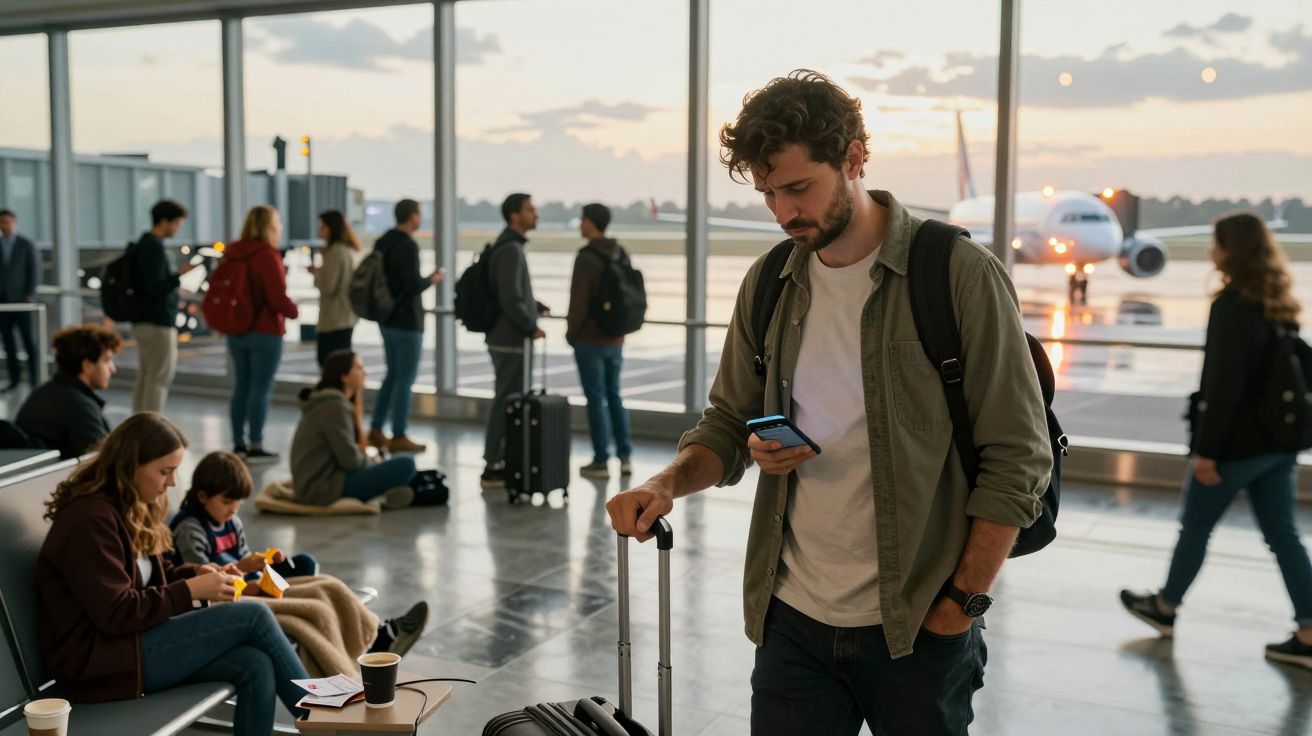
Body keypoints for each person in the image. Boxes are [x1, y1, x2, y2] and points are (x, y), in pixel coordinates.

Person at [605, 70, 1051, 736]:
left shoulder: (956, 274)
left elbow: (1018, 455)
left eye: (798, 187)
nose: (783, 213)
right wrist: (664, 484)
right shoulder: (771, 282)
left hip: (918, 623)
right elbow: (727, 421)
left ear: (854, 159)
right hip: (793, 621)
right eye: (768, 193)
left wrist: (961, 603)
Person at [35, 413, 310, 735]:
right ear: (130, 464)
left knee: (255, 664)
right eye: (165, 471)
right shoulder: (90, 521)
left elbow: (151, 574)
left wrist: (200, 573)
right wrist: (192, 590)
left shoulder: (126, 506)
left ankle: (325, 716)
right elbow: (117, 612)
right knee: (253, 616)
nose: (173, 483)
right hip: (98, 665)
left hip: (128, 648)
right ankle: (326, 717)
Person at [1121, 212, 1312, 670]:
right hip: (1278, 444)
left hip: (1237, 448)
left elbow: (1223, 388)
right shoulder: (1277, 302)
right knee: (1284, 537)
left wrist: (1206, 451)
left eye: (1217, 243)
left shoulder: (1231, 305)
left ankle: (1165, 607)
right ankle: (1309, 632)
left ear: (1231, 250)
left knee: (1196, 528)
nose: (1211, 251)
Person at [171, 451, 430, 658]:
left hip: (242, 583)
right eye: (227, 502)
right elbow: (206, 581)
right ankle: (380, 638)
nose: (233, 510)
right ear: (202, 497)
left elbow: (243, 560)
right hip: (223, 596)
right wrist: (250, 575)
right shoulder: (191, 528)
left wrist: (262, 564)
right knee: (318, 597)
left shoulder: (230, 520)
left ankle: (376, 634)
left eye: (237, 503)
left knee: (306, 566)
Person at [292, 349, 418, 508]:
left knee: (395, 464)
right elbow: (350, 461)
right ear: (344, 376)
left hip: (316, 483)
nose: (365, 372)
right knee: (406, 464)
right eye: (359, 368)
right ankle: (383, 495)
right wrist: (372, 462)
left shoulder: (328, 402)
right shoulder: (334, 406)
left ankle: (385, 494)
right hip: (323, 489)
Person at [481, 193, 547, 489]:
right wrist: (530, 325)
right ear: (514, 215)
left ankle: (500, 459)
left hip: (506, 336)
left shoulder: (509, 246)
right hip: (509, 339)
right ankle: (493, 463)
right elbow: (510, 297)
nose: (536, 214)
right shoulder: (510, 249)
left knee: (507, 399)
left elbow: (514, 293)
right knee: (507, 402)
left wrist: (535, 306)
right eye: (530, 210)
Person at [367, 199, 442, 454]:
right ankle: (398, 433)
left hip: (386, 318)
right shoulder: (407, 245)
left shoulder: (383, 242)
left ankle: (376, 428)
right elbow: (412, 286)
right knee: (404, 379)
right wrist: (432, 279)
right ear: (412, 217)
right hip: (407, 321)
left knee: (391, 375)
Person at [225, 205, 299, 464]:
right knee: (260, 389)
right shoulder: (267, 255)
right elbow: (277, 298)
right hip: (265, 331)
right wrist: (294, 311)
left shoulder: (234, 252)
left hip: (237, 329)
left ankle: (238, 443)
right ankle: (256, 444)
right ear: (271, 226)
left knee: (241, 387)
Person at [566, 202, 633, 480]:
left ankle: (600, 460)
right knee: (614, 395)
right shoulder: (620, 252)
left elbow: (578, 301)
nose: (580, 224)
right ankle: (625, 457)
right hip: (615, 338)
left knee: (595, 399)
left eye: (582, 219)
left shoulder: (586, 257)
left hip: (590, 339)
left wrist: (572, 334)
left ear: (591, 222)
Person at [130, 199, 197, 414]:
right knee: (159, 378)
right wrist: (178, 275)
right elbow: (156, 287)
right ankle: (151, 424)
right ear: (164, 221)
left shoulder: (142, 244)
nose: (177, 228)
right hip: (157, 321)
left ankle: (139, 422)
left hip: (142, 319)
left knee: (146, 376)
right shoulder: (154, 247)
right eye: (176, 223)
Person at [16, 324, 120, 459]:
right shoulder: (81, 407)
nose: (113, 369)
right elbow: (104, 461)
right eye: (107, 361)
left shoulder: (41, 393)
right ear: (87, 365)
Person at [307, 210, 361, 366]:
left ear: (332, 228)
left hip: (335, 318)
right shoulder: (347, 250)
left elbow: (329, 287)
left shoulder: (335, 252)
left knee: (330, 363)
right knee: (340, 362)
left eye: (323, 226)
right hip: (345, 316)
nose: (319, 230)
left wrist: (316, 274)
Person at [0, 208, 40, 392]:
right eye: (2, 222)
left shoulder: (25, 244)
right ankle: (14, 379)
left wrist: (30, 294)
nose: (5, 225)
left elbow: (34, 271)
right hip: (3, 302)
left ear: (14, 223)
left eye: (8, 222)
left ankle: (34, 377)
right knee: (8, 343)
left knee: (28, 341)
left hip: (22, 300)